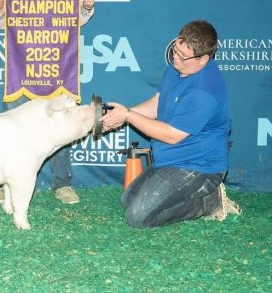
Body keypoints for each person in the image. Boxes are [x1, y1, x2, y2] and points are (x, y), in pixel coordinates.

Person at [0, 0, 96, 204]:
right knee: (13, 126)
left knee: (61, 123)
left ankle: (61, 183)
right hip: (21, 65)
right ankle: (7, 183)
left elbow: (75, 21)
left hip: (55, 64)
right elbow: (2, 23)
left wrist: (86, 6)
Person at [101, 20, 242, 227]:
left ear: (204, 59)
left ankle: (209, 201)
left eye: (183, 56)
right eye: (175, 50)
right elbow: (158, 103)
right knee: (128, 200)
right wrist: (118, 116)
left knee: (138, 217)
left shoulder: (204, 91)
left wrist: (129, 115)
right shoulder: (177, 68)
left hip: (198, 167)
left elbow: (171, 135)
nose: (175, 58)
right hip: (170, 158)